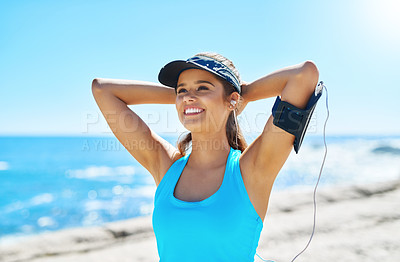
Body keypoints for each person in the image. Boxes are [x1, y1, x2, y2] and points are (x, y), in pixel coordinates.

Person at [91, 52, 319, 261]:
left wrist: (241, 94)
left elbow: (303, 75)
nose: (188, 97)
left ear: (231, 100)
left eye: (202, 88)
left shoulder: (251, 170)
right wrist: (188, 96)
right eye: (181, 90)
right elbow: (102, 89)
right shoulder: (166, 167)